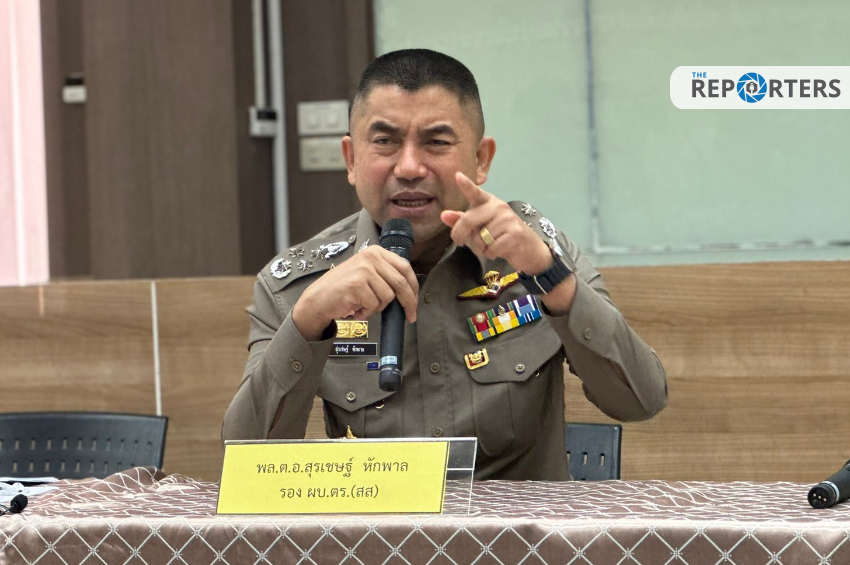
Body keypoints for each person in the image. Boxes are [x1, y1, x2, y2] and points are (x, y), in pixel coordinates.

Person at [222, 48, 667, 480]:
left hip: (517, 531)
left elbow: (641, 400)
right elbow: (245, 462)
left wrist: (551, 277)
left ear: (481, 159)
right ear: (352, 159)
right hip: (378, 529)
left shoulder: (532, 248)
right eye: (385, 141)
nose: (409, 167)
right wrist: (307, 322)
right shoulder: (300, 284)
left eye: (436, 142)